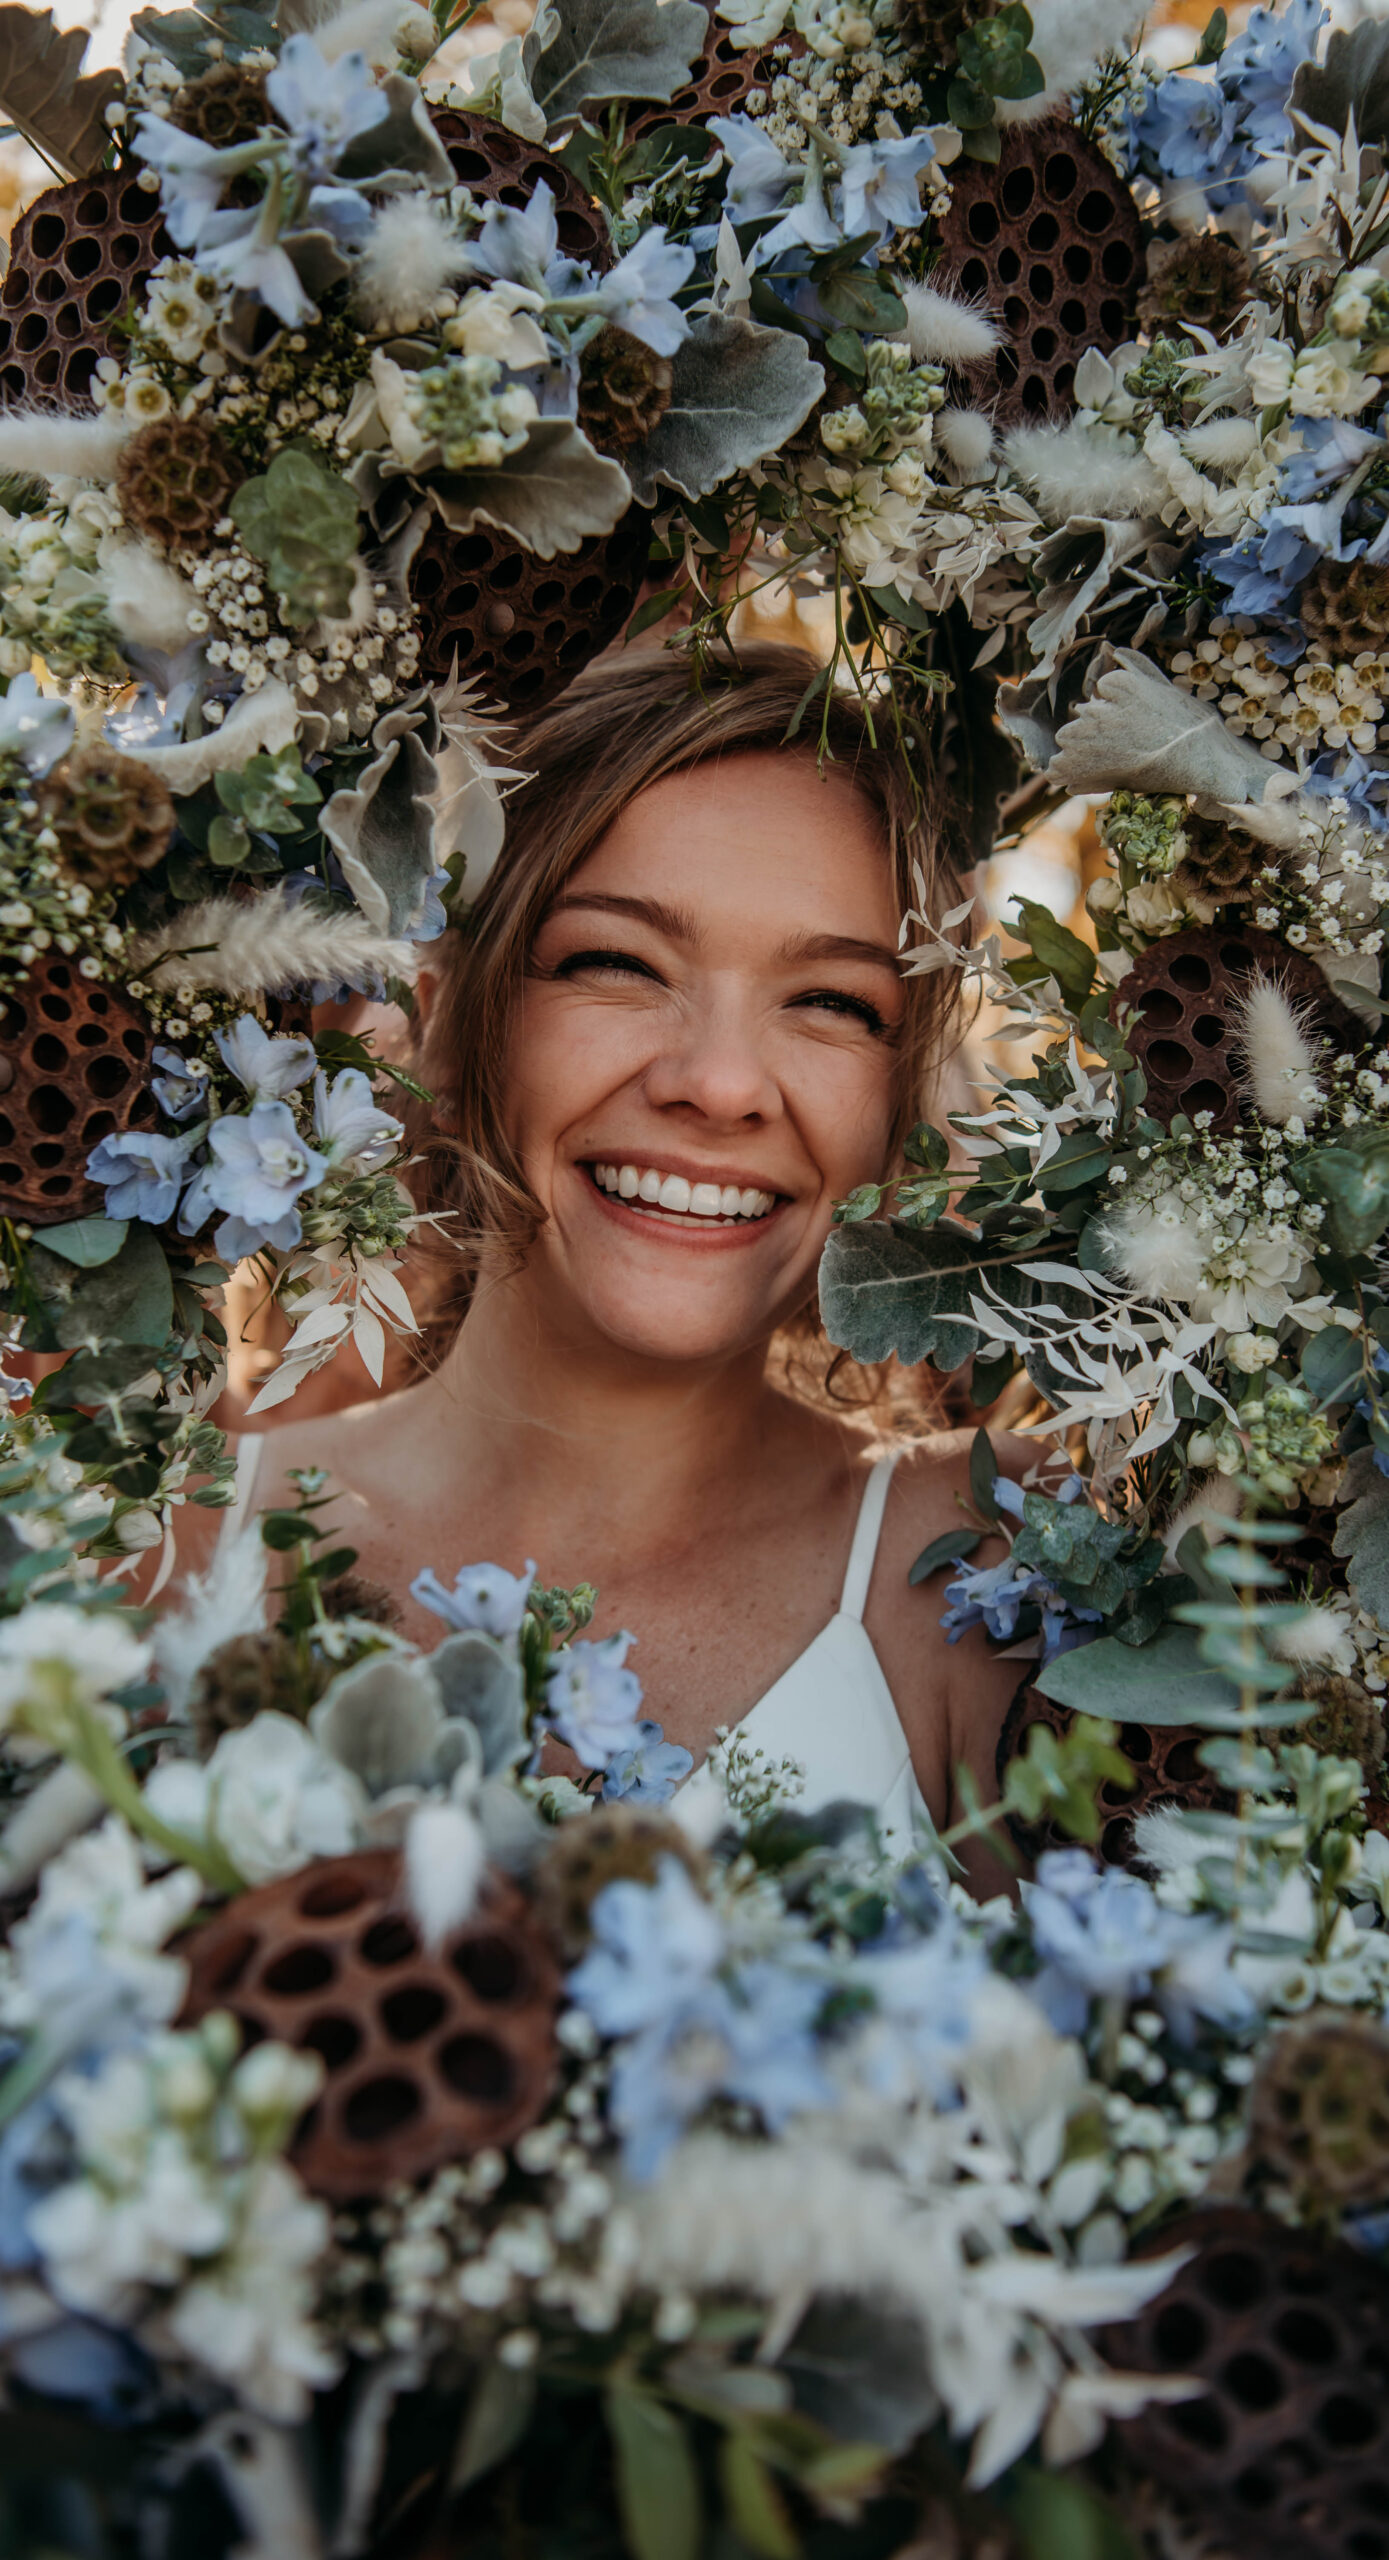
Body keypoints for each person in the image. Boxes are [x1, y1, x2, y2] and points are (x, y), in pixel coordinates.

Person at [183, 645, 1026, 1887]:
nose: (723, 1084)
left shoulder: (983, 1584)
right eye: (617, 964)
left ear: (898, 1106)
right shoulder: (167, 1542)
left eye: (834, 1002)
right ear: (449, 1025)